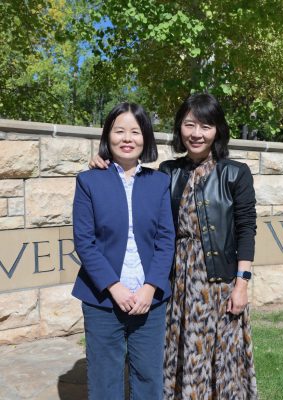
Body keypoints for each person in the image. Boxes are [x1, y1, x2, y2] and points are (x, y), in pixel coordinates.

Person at [90, 93, 258, 400]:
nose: (196, 133)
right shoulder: (167, 172)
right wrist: (103, 162)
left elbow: (247, 230)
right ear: (180, 128)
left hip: (217, 283)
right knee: (174, 353)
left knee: (219, 355)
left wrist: (242, 284)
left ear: (217, 130)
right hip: (174, 279)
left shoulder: (235, 173)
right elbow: (129, 178)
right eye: (189, 124)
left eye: (205, 126)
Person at [72, 102, 175, 400]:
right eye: (119, 131)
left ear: (146, 138)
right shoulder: (89, 180)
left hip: (149, 301)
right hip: (102, 299)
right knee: (105, 381)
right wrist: (113, 287)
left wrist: (149, 288)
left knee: (148, 377)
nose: (127, 138)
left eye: (135, 131)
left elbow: (165, 240)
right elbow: (85, 241)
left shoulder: (159, 182)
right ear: (108, 136)